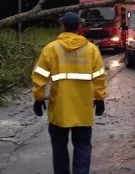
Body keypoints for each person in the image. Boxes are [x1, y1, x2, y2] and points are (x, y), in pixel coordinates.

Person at [31, 11, 108, 174]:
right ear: (79, 27)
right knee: (83, 146)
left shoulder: (51, 49)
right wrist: (100, 98)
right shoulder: (91, 50)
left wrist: (38, 98)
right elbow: (100, 77)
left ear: (62, 27)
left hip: (60, 109)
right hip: (83, 111)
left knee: (59, 146)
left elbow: (39, 76)